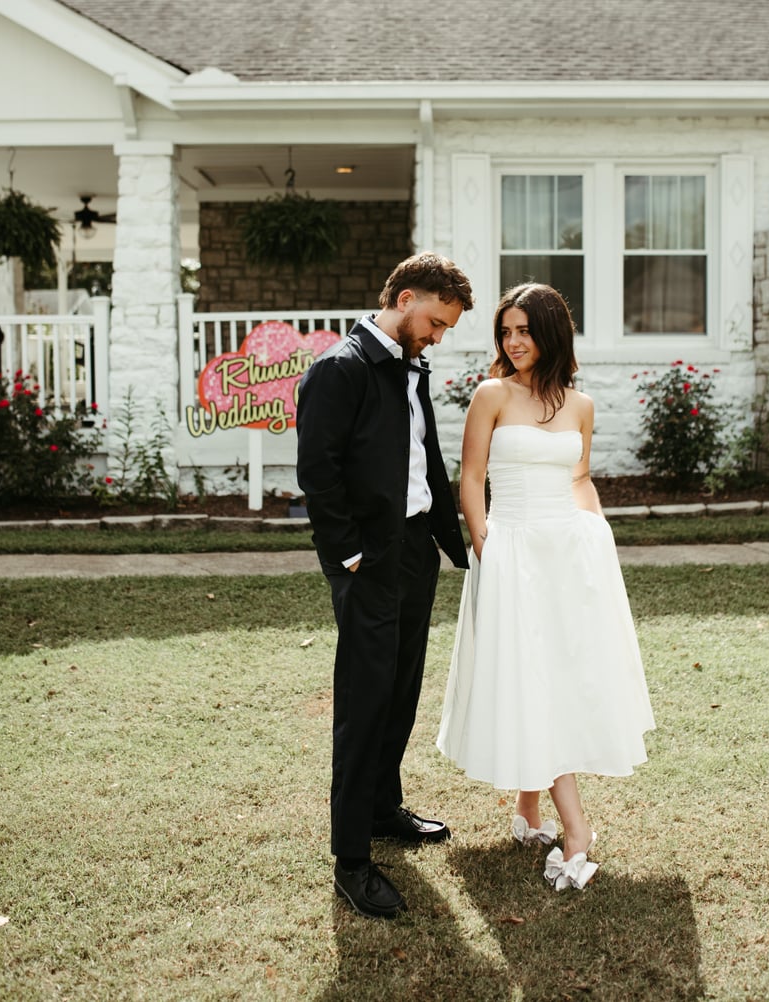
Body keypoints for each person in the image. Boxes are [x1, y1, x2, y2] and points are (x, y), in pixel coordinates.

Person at [436, 282, 655, 891]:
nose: (513, 341)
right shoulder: (492, 395)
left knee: (556, 673)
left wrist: (598, 536)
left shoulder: (580, 405)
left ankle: (529, 811)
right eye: (506, 331)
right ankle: (577, 830)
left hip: (569, 553)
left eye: (525, 330)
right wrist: (487, 548)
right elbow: (471, 480)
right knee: (535, 674)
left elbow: (580, 479)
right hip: (511, 550)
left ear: (552, 333)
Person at [296, 252, 474, 919]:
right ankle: (351, 859)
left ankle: (380, 808)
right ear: (403, 298)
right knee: (364, 702)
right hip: (367, 561)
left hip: (414, 552)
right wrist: (347, 558)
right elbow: (318, 473)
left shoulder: (410, 369)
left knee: (400, 690)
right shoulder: (337, 371)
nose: (436, 337)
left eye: (445, 328)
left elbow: (426, 461)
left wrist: (450, 546)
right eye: (433, 322)